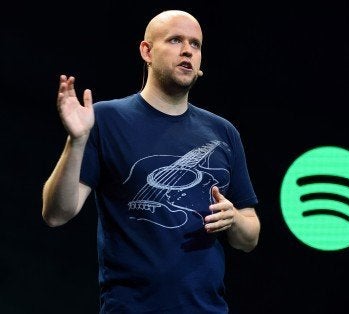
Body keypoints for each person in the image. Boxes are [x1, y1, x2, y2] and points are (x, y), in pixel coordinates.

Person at [41, 9, 260, 313]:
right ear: (146, 50)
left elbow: (249, 237)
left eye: (195, 44)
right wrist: (76, 141)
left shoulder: (223, 132)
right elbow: (57, 214)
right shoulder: (105, 119)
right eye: (175, 40)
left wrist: (235, 219)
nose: (187, 50)